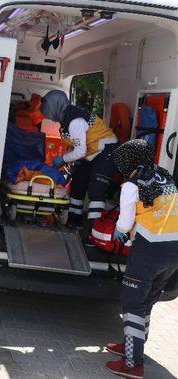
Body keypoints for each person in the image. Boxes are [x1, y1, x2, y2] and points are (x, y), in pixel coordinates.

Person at [104, 139, 178, 379]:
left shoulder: (131, 185)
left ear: (128, 162)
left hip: (150, 250)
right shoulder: (164, 176)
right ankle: (134, 346)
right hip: (174, 250)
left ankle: (132, 364)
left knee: (133, 302)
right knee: (146, 301)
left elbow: (125, 223)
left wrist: (120, 231)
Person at [40, 90, 119, 232]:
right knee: (77, 185)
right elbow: (76, 147)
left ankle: (94, 231)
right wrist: (66, 158)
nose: (51, 119)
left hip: (107, 151)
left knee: (96, 190)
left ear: (56, 107)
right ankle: (74, 222)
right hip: (92, 154)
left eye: (50, 114)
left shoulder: (75, 121)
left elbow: (80, 151)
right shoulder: (66, 120)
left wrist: (62, 159)